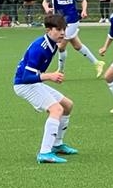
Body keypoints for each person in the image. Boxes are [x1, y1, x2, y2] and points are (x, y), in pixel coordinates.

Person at [12, 13, 78, 164]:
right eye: (59, 29)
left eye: (64, 29)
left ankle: (57, 144)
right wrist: (50, 76)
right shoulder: (39, 48)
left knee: (67, 105)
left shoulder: (53, 43)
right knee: (57, 109)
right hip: (24, 85)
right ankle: (45, 153)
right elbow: (26, 77)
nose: (63, 33)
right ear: (48, 30)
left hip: (34, 82)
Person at [41, 0, 105, 77]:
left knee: (61, 46)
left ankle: (60, 71)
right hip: (59, 20)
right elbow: (45, 1)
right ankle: (97, 63)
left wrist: (84, 10)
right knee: (77, 45)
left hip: (72, 20)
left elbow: (83, 0)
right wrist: (47, 8)